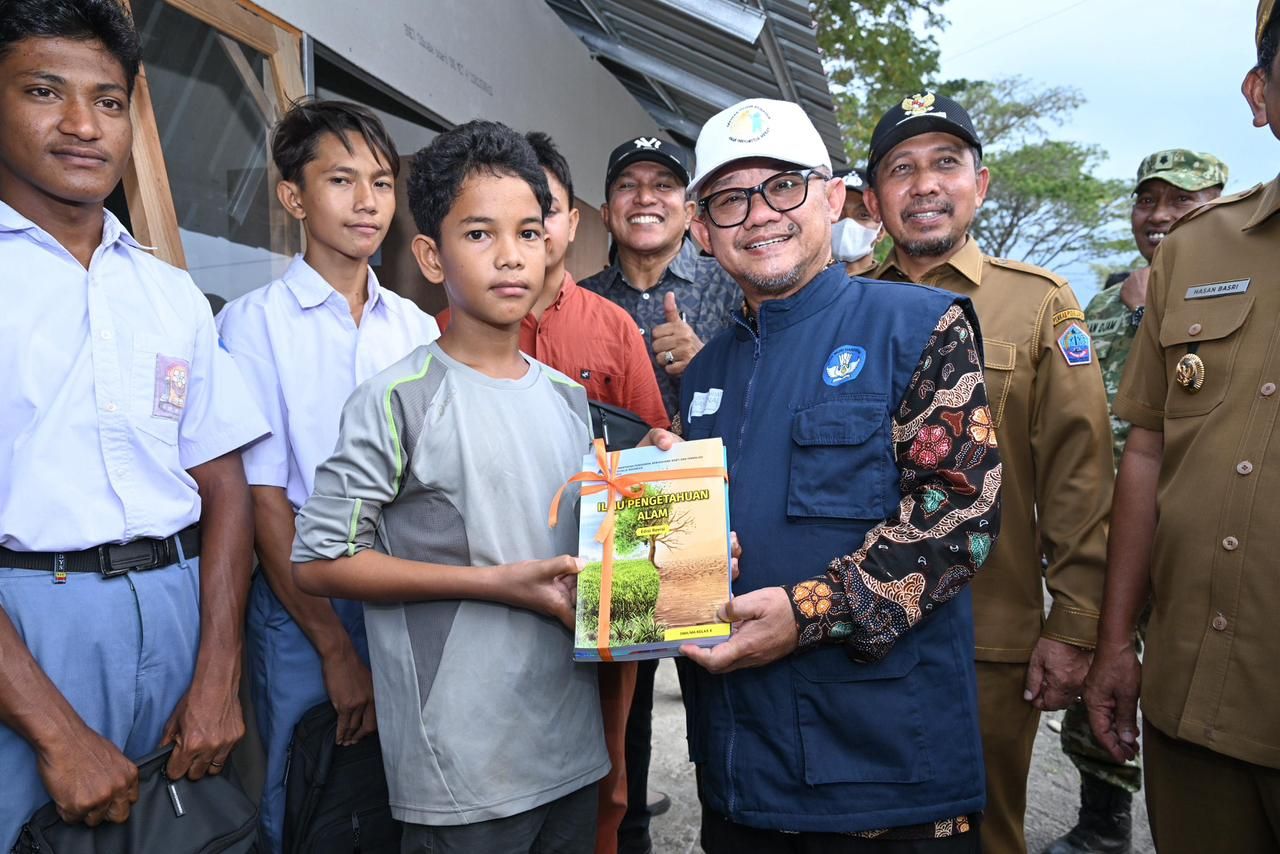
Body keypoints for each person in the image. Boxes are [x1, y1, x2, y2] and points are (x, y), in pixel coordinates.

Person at [665, 96, 1001, 852]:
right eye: (729, 199)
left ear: (833, 197)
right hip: (741, 772)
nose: (759, 215)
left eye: (783, 186)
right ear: (702, 231)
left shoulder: (919, 327)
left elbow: (963, 517)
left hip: (884, 777)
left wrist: (810, 610)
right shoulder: (706, 370)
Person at [290, 120, 608, 854]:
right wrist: (496, 583)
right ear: (431, 256)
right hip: (462, 766)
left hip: (570, 744)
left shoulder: (566, 397)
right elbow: (319, 561)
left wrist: (668, 500)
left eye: (529, 232)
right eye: (479, 234)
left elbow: (588, 545)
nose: (510, 256)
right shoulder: (396, 398)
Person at [0, 0, 269, 848]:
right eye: (46, 91)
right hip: (33, 630)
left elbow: (224, 485)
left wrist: (220, 673)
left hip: (180, 610)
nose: (84, 124)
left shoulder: (167, 291)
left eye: (110, 101)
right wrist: (54, 729)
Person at [862, 92, 1114, 854]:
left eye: (946, 163)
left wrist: (1073, 626)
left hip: (986, 633)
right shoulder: (842, 299)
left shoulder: (1038, 305)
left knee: (983, 832)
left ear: (982, 183)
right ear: (873, 199)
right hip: (851, 619)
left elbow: (1081, 475)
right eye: (901, 170)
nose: (925, 185)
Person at [215, 99, 441, 853]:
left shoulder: (417, 328)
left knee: (404, 796)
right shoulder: (253, 325)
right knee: (303, 795)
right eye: (341, 180)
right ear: (293, 197)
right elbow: (264, 499)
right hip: (302, 604)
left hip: (405, 595)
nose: (368, 201)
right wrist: (335, 650)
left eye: (381, 181)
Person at [436, 129, 666, 854]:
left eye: (539, 218)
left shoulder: (614, 327)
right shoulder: (446, 331)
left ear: (567, 224)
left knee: (606, 778)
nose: (518, 242)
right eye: (491, 225)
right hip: (487, 596)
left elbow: (650, 460)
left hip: (602, 590)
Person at [1084, 4, 1280, 851]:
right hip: (1194, 703)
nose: (1159, 215)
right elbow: (1148, 454)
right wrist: (1115, 641)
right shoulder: (1200, 254)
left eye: (1176, 198)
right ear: (1260, 90)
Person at [1044, 148, 1226, 854]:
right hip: (1105, 528)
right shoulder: (1097, 310)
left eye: (1181, 200)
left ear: (1217, 202)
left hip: (1196, 534)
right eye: (1147, 200)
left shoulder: (1233, 300)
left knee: (1197, 687)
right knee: (1099, 664)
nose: (1160, 215)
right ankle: (1103, 824)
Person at [580, 134, 739, 854]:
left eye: (664, 185)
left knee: (725, 684)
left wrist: (708, 364)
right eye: (629, 185)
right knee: (623, 701)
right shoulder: (583, 299)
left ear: (688, 206)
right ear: (607, 206)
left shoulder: (732, 284)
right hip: (628, 519)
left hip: (726, 515)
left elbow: (771, 391)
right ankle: (632, 828)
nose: (646, 198)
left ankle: (734, 826)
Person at [831, 168, 882, 276]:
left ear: (881, 231)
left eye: (863, 215)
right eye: (838, 213)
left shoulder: (895, 287)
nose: (846, 224)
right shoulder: (799, 285)